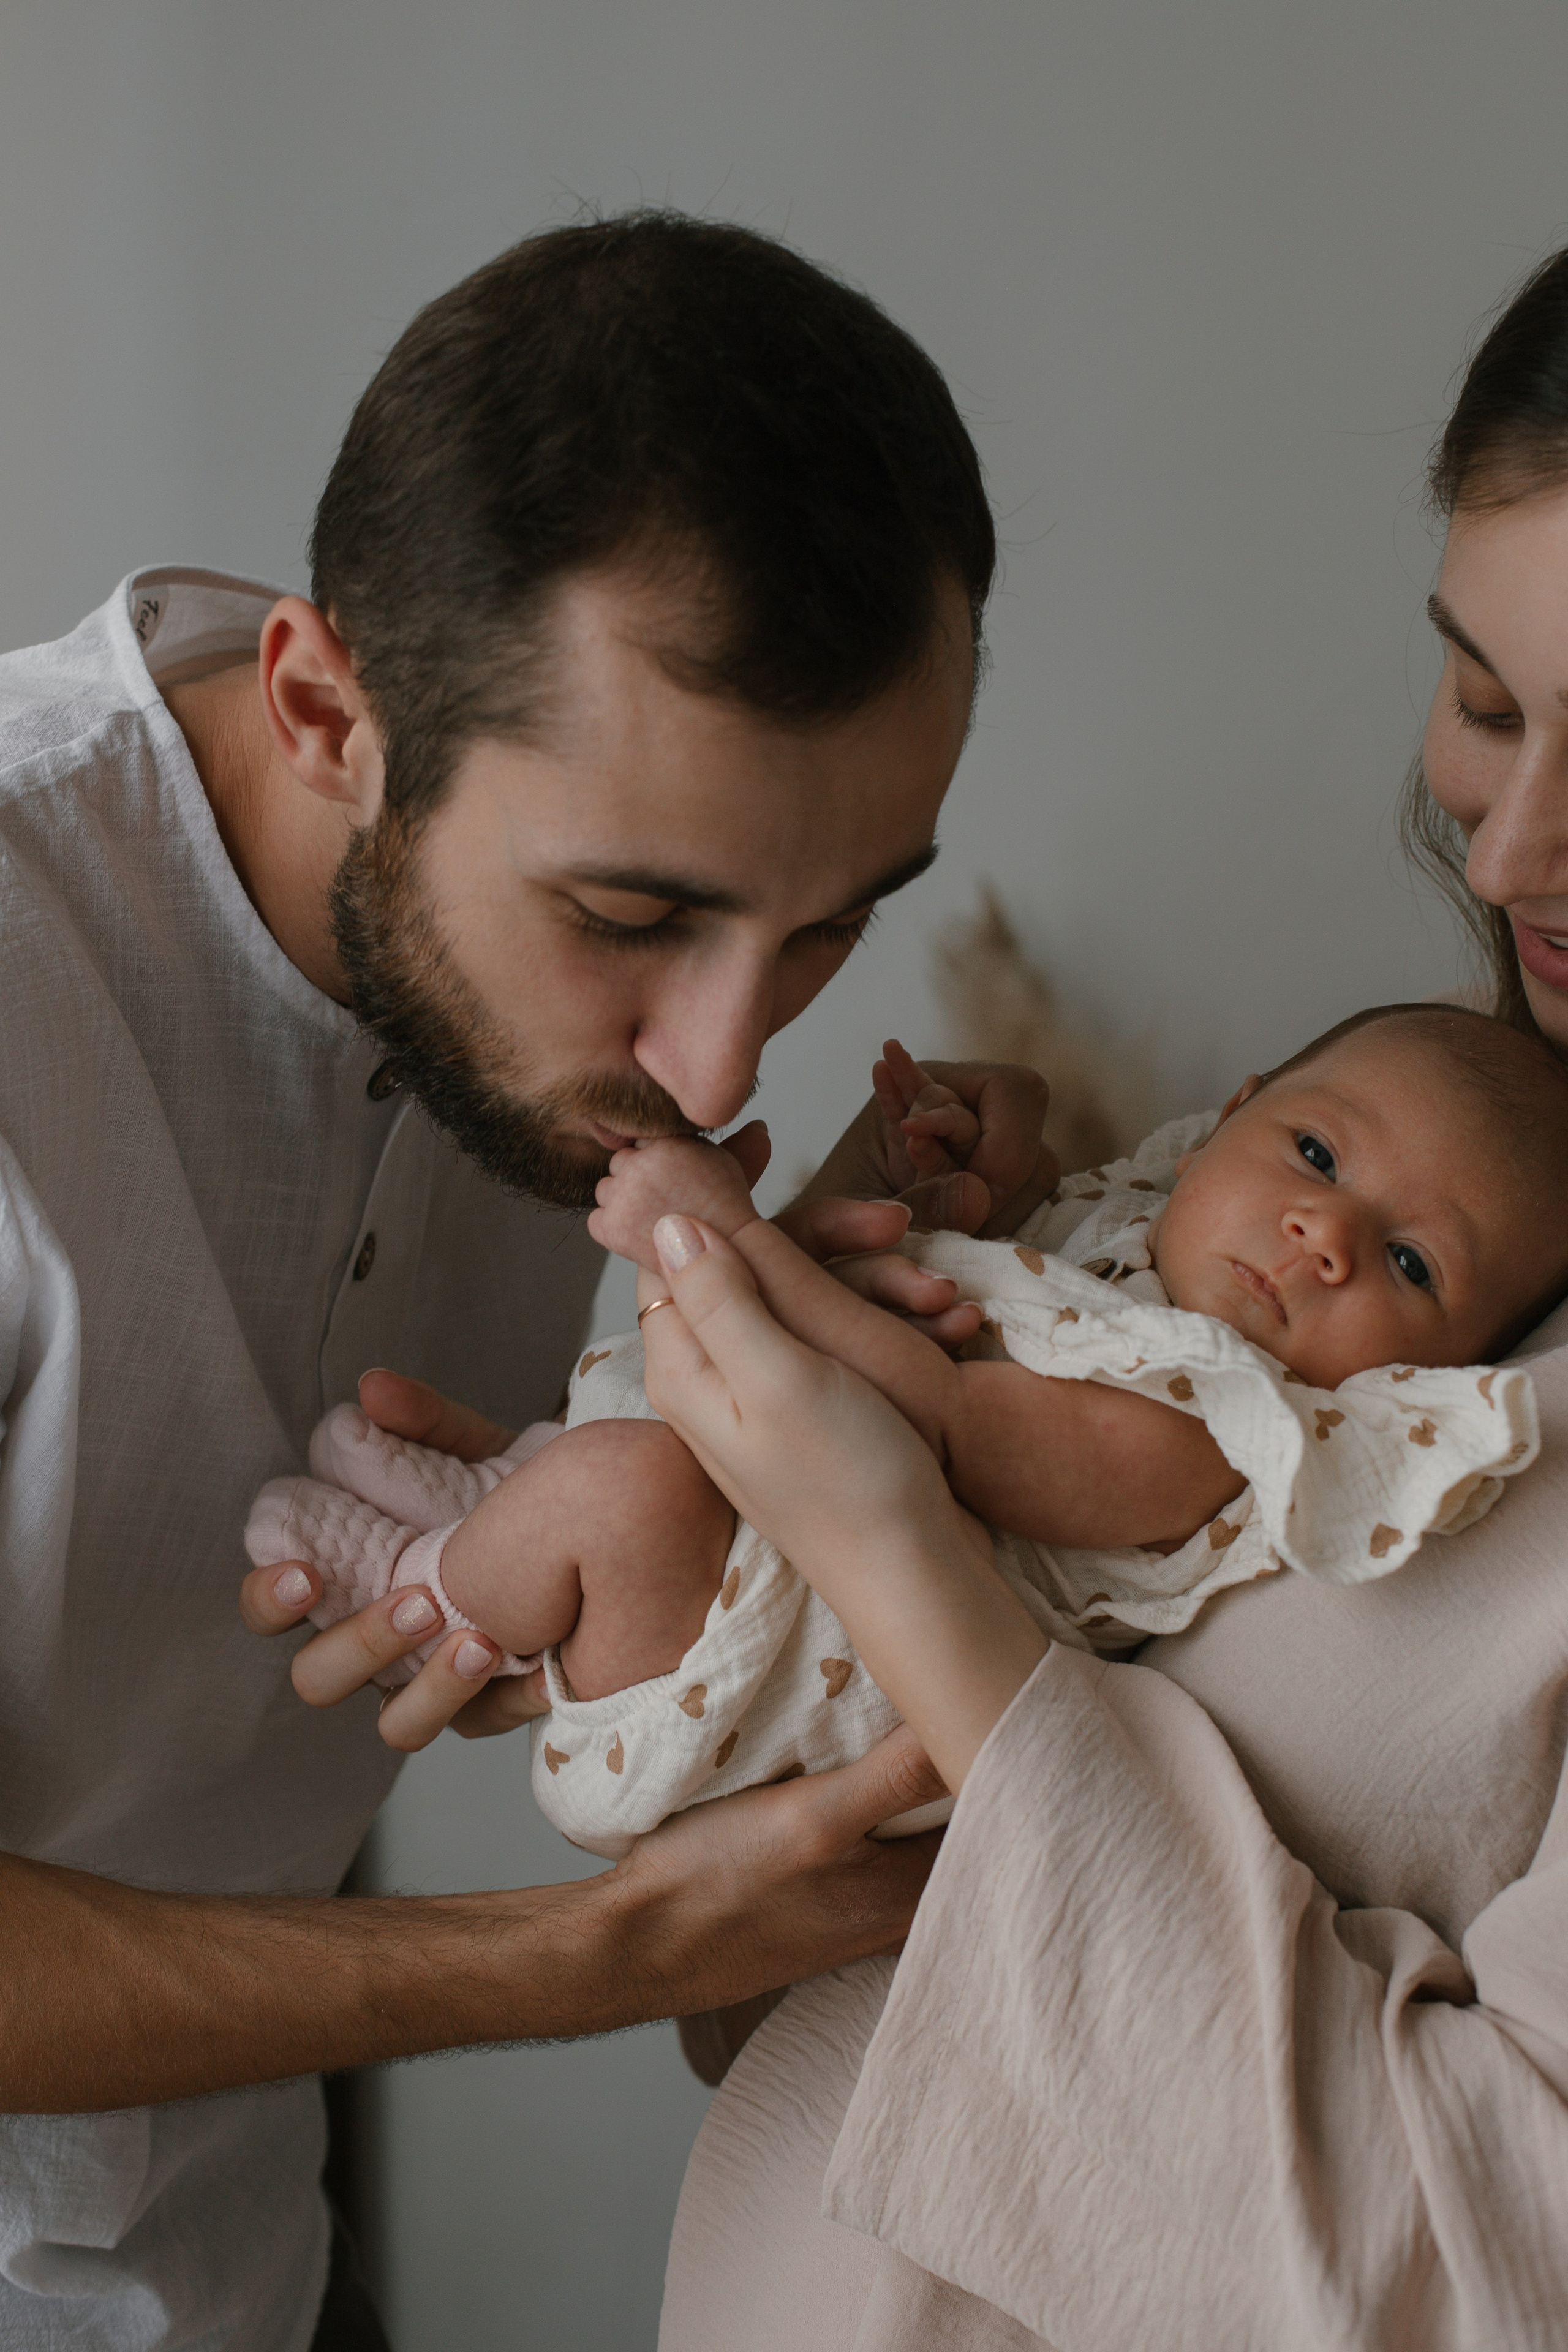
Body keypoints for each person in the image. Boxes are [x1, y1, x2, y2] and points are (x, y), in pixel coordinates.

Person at [0, 210, 1062, 2350]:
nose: (719, 1066)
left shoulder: (542, 1043)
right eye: (632, 915)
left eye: (835, 921)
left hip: (232, 2265)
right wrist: (591, 1953)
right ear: (326, 707)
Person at [629, 246, 1568, 2348]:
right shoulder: (1389, 1216)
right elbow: (850, 2000)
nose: (1505, 860)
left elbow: (1484, 2271)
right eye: (1489, 705)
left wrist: (898, 1546)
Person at [251, 1001, 1553, 1865]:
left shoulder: (1217, 1440)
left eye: (1408, 1263)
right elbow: (944, 1295)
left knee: (630, 1491)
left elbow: (942, 1412)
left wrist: (720, 1235)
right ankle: (499, 1505)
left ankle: (427, 1592)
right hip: (759, 1520)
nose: (1320, 1236)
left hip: (778, 1679)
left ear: (1436, 1379)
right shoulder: (1130, 1244)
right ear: (1232, 1111)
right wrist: (934, 1184)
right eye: (1316, 1154)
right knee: (626, 1462)